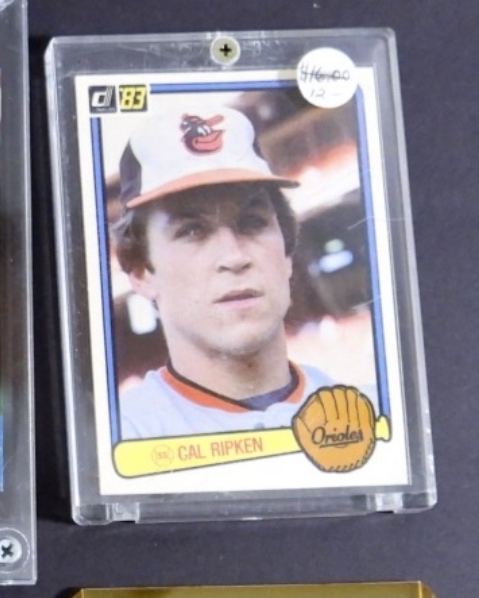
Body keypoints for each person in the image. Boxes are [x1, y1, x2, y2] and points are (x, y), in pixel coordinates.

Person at [112, 105, 353, 440]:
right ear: (140, 272)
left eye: (252, 222)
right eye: (192, 230)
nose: (234, 257)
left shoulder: (370, 416)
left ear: (286, 252)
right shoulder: (119, 439)